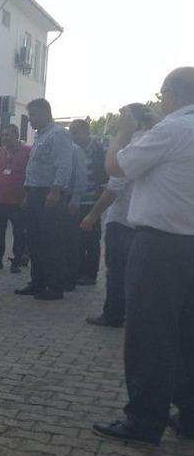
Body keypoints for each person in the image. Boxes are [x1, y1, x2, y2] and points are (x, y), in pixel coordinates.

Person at [93, 67, 194, 446]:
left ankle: (144, 421)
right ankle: (190, 414)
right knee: (188, 335)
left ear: (170, 92)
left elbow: (116, 166)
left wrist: (123, 129)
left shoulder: (171, 129)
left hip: (161, 246)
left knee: (150, 336)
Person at [81, 104, 155, 328]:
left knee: (117, 271)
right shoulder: (155, 140)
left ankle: (114, 314)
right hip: (144, 220)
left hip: (123, 219)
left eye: (123, 115)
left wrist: (93, 215)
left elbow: (115, 185)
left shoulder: (133, 143)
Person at [14, 98, 73, 301]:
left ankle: (55, 286)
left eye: (32, 115)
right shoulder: (40, 136)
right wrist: (27, 195)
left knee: (52, 241)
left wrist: (55, 191)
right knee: (35, 241)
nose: (30, 120)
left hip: (49, 194)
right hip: (34, 193)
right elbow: (35, 168)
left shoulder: (58, 134)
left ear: (45, 113)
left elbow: (63, 166)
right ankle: (37, 282)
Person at [0, 124, 30, 273]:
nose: (4, 138)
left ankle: (17, 260)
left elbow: (31, 176)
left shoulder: (28, 152)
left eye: (7, 135)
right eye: (3, 135)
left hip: (17, 200)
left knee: (18, 232)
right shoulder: (0, 153)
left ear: (16, 135)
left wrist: (27, 197)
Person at [69, 119, 108, 285]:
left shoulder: (99, 150)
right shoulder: (71, 150)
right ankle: (76, 271)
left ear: (86, 132)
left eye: (75, 132)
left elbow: (106, 175)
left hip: (93, 201)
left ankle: (90, 274)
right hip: (74, 201)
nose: (72, 136)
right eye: (71, 132)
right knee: (75, 238)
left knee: (91, 239)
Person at [62, 125, 90, 291]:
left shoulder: (75, 151)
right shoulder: (60, 150)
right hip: (58, 199)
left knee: (70, 241)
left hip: (69, 199)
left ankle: (70, 278)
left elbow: (81, 177)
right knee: (59, 240)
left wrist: (76, 200)